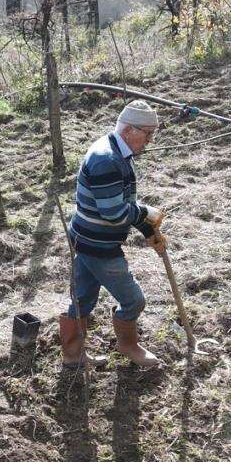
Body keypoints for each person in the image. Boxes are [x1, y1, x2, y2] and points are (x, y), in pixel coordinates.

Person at [59, 100, 167, 369]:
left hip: (85, 238)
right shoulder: (107, 160)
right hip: (98, 246)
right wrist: (144, 213)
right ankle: (128, 345)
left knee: (82, 298)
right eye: (148, 134)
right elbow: (114, 214)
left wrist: (147, 228)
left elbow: (122, 202)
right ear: (130, 130)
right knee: (133, 301)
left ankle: (72, 356)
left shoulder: (117, 152)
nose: (150, 141)